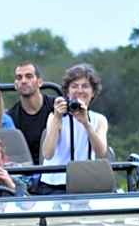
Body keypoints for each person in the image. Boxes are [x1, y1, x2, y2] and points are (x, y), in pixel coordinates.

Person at [38, 63, 109, 194]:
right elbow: (47, 154)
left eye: (85, 86)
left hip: (88, 182)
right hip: (55, 184)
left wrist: (86, 124)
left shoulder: (99, 119)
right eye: (74, 86)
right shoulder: (54, 117)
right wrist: (57, 119)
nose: (80, 90)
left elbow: (101, 154)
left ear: (93, 92)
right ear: (67, 92)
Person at [6, 62, 54, 165]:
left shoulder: (56, 107)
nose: (23, 81)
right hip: (27, 173)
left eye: (29, 76)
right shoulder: (10, 117)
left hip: (56, 169)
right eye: (19, 77)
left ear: (40, 82)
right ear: (15, 85)